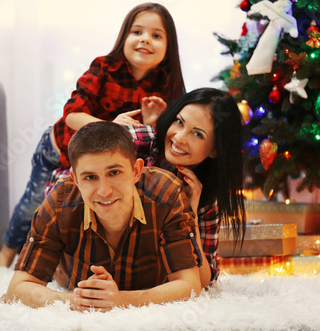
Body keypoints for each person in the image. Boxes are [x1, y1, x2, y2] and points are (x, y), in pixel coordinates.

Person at [0, 2, 185, 267]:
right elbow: (72, 114)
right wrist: (110, 126)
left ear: (168, 47)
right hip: (58, 149)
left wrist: (152, 123)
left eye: (156, 35)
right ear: (124, 37)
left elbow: (153, 140)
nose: (145, 40)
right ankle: (5, 254)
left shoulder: (166, 85)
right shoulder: (104, 67)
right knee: (33, 203)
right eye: (137, 32)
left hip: (100, 163)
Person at [49, 88, 246, 287]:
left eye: (197, 134)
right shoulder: (136, 140)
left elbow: (205, 280)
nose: (179, 138)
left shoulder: (204, 196)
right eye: (179, 122)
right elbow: (73, 182)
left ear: (215, 149)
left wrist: (191, 216)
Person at [4, 121, 201, 311]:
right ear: (76, 180)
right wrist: (75, 300)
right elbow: (18, 287)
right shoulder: (59, 202)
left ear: (136, 171)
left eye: (114, 172)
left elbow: (189, 284)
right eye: (90, 177)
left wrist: (120, 299)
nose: (104, 191)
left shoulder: (167, 194)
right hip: (69, 283)